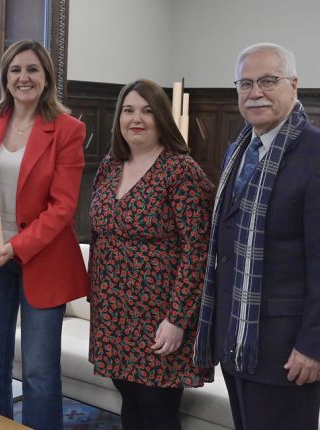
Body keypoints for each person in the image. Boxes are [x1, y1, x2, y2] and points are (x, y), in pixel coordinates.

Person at [193, 43, 320, 430]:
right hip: (238, 341)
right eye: (245, 83)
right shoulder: (238, 149)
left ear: (293, 86)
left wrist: (316, 347)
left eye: (268, 80)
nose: (255, 92)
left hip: (288, 351)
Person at [0, 40, 88, 430]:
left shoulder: (68, 129)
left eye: (32, 69)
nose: (23, 77)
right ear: (5, 76)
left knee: (39, 371)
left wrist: (15, 247)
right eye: (15, 70)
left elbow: (63, 207)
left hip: (41, 259)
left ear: (46, 77)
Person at [88, 79, 214, 430]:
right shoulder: (111, 164)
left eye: (146, 110)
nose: (136, 119)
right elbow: (99, 237)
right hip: (114, 313)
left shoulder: (181, 171)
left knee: (157, 411)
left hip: (159, 317)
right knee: (130, 402)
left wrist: (177, 319)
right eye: (128, 110)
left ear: (161, 118)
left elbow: (198, 250)